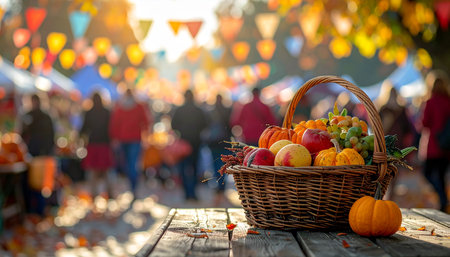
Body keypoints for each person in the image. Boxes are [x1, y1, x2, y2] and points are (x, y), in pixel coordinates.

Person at [375, 80, 415, 200]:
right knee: (382, 172)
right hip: (384, 146)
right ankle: (381, 197)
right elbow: (376, 127)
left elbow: (408, 128)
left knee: (394, 173)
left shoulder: (401, 110)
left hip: (397, 146)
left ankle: (389, 198)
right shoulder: (383, 109)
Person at [110, 89, 151, 199]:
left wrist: (115, 138)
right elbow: (146, 122)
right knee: (133, 164)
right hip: (135, 139)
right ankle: (133, 187)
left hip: (123, 139)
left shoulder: (120, 107)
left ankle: (131, 186)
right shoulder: (138, 107)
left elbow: (114, 124)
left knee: (127, 164)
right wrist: (146, 135)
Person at [419, 71, 450, 212]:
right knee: (442, 175)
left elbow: (424, 123)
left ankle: (442, 197)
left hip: (432, 145)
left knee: (427, 172)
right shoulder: (448, 101)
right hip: (446, 146)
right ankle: (443, 201)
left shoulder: (430, 102)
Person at [20, 94, 55, 216]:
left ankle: (38, 210)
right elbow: (21, 135)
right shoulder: (29, 116)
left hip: (39, 154)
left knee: (39, 184)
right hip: (34, 154)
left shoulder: (41, 117)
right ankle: (33, 209)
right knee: (34, 183)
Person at [171, 89, 208, 201]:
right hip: (196, 142)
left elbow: (173, 125)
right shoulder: (198, 110)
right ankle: (193, 192)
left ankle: (187, 192)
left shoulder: (180, 110)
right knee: (195, 167)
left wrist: (182, 132)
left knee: (183, 168)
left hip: (183, 143)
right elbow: (205, 124)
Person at [80, 92, 114, 199]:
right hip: (105, 144)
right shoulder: (107, 112)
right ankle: (109, 192)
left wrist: (80, 138)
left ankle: (94, 194)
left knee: (93, 171)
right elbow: (111, 129)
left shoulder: (89, 113)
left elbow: (84, 128)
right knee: (106, 170)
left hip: (93, 144)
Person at [205, 94, 232, 205]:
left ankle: (218, 186)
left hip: (213, 142)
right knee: (224, 165)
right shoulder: (227, 110)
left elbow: (206, 126)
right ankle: (222, 187)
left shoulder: (210, 111)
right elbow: (231, 125)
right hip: (224, 141)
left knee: (216, 164)